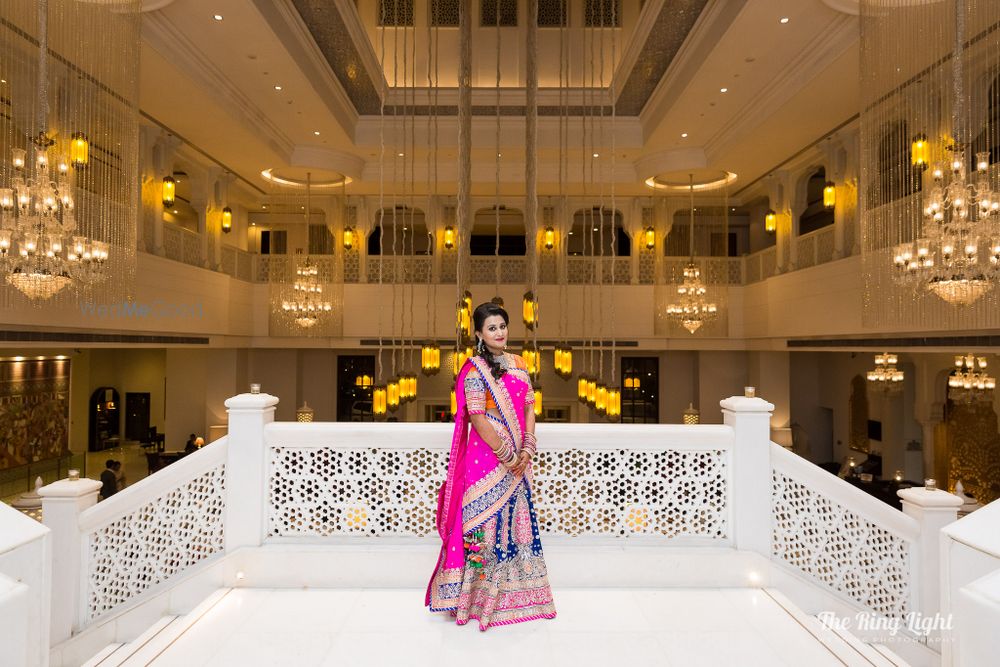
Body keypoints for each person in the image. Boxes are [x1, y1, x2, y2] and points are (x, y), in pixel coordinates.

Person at [426, 302, 556, 630]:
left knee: (517, 523)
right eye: (492, 328)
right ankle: (476, 599)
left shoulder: (520, 363)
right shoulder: (474, 370)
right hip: (487, 460)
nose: (499, 332)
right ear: (480, 334)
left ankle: (516, 593)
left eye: (503, 326)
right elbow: (477, 417)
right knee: (482, 527)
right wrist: (506, 455)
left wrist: (526, 447)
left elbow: (529, 407)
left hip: (518, 458)